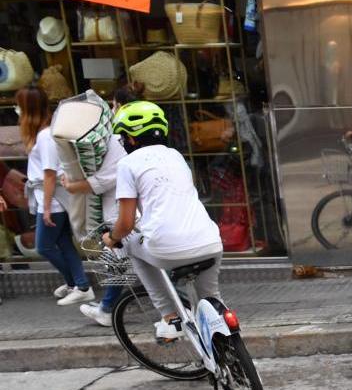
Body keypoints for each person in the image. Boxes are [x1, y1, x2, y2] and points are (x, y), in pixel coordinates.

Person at [102, 101, 224, 341]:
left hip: (167, 249)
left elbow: (126, 224)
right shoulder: (176, 156)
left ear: (132, 138)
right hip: (210, 242)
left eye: (123, 137)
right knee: (211, 298)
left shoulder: (127, 164)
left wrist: (112, 238)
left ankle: (170, 317)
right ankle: (228, 341)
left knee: (128, 243)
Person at [63, 83, 139, 327]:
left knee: (119, 259)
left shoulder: (118, 140)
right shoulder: (131, 137)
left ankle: (107, 309)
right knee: (127, 261)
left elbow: (105, 180)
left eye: (114, 104)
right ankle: (108, 307)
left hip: (121, 211)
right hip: (127, 209)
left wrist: (74, 186)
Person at [18, 85, 94, 306]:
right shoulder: (43, 134)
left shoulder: (44, 136)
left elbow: (50, 174)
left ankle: (79, 284)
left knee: (44, 246)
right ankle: (78, 284)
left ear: (28, 109)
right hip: (50, 196)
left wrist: (48, 207)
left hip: (53, 199)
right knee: (63, 242)